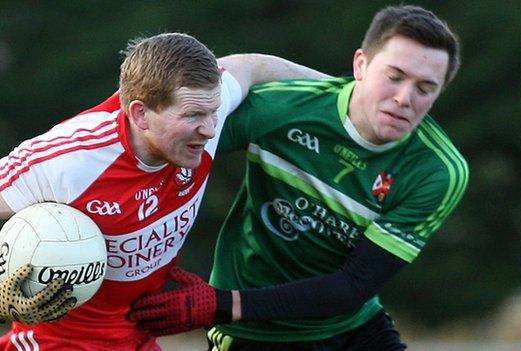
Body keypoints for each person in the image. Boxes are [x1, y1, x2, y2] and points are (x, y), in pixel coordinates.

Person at [0, 33, 330, 351]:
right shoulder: (72, 157)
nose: (210, 129)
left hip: (135, 335)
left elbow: (256, 67)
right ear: (140, 113)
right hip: (58, 342)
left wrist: (345, 93)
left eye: (212, 112)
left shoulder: (205, 105)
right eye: (193, 116)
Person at [129, 5, 469, 350]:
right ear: (361, 65)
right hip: (253, 334)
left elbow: (352, 287)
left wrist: (220, 304)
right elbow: (169, 147)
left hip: (354, 327)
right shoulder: (282, 107)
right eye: (394, 77)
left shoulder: (437, 170)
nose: (403, 98)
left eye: (425, 88)